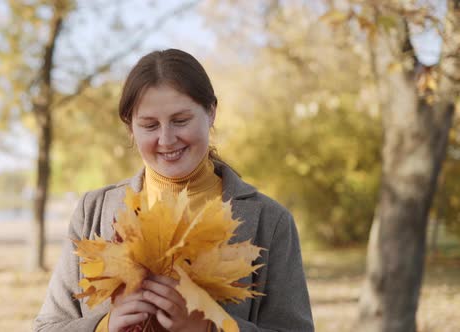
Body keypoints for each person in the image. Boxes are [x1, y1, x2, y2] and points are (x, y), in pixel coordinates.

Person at [33, 49, 314, 332]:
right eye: (149, 125)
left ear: (211, 112)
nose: (166, 139)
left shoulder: (270, 222)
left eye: (180, 121)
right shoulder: (93, 211)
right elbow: (46, 326)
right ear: (131, 127)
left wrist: (211, 328)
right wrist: (104, 326)